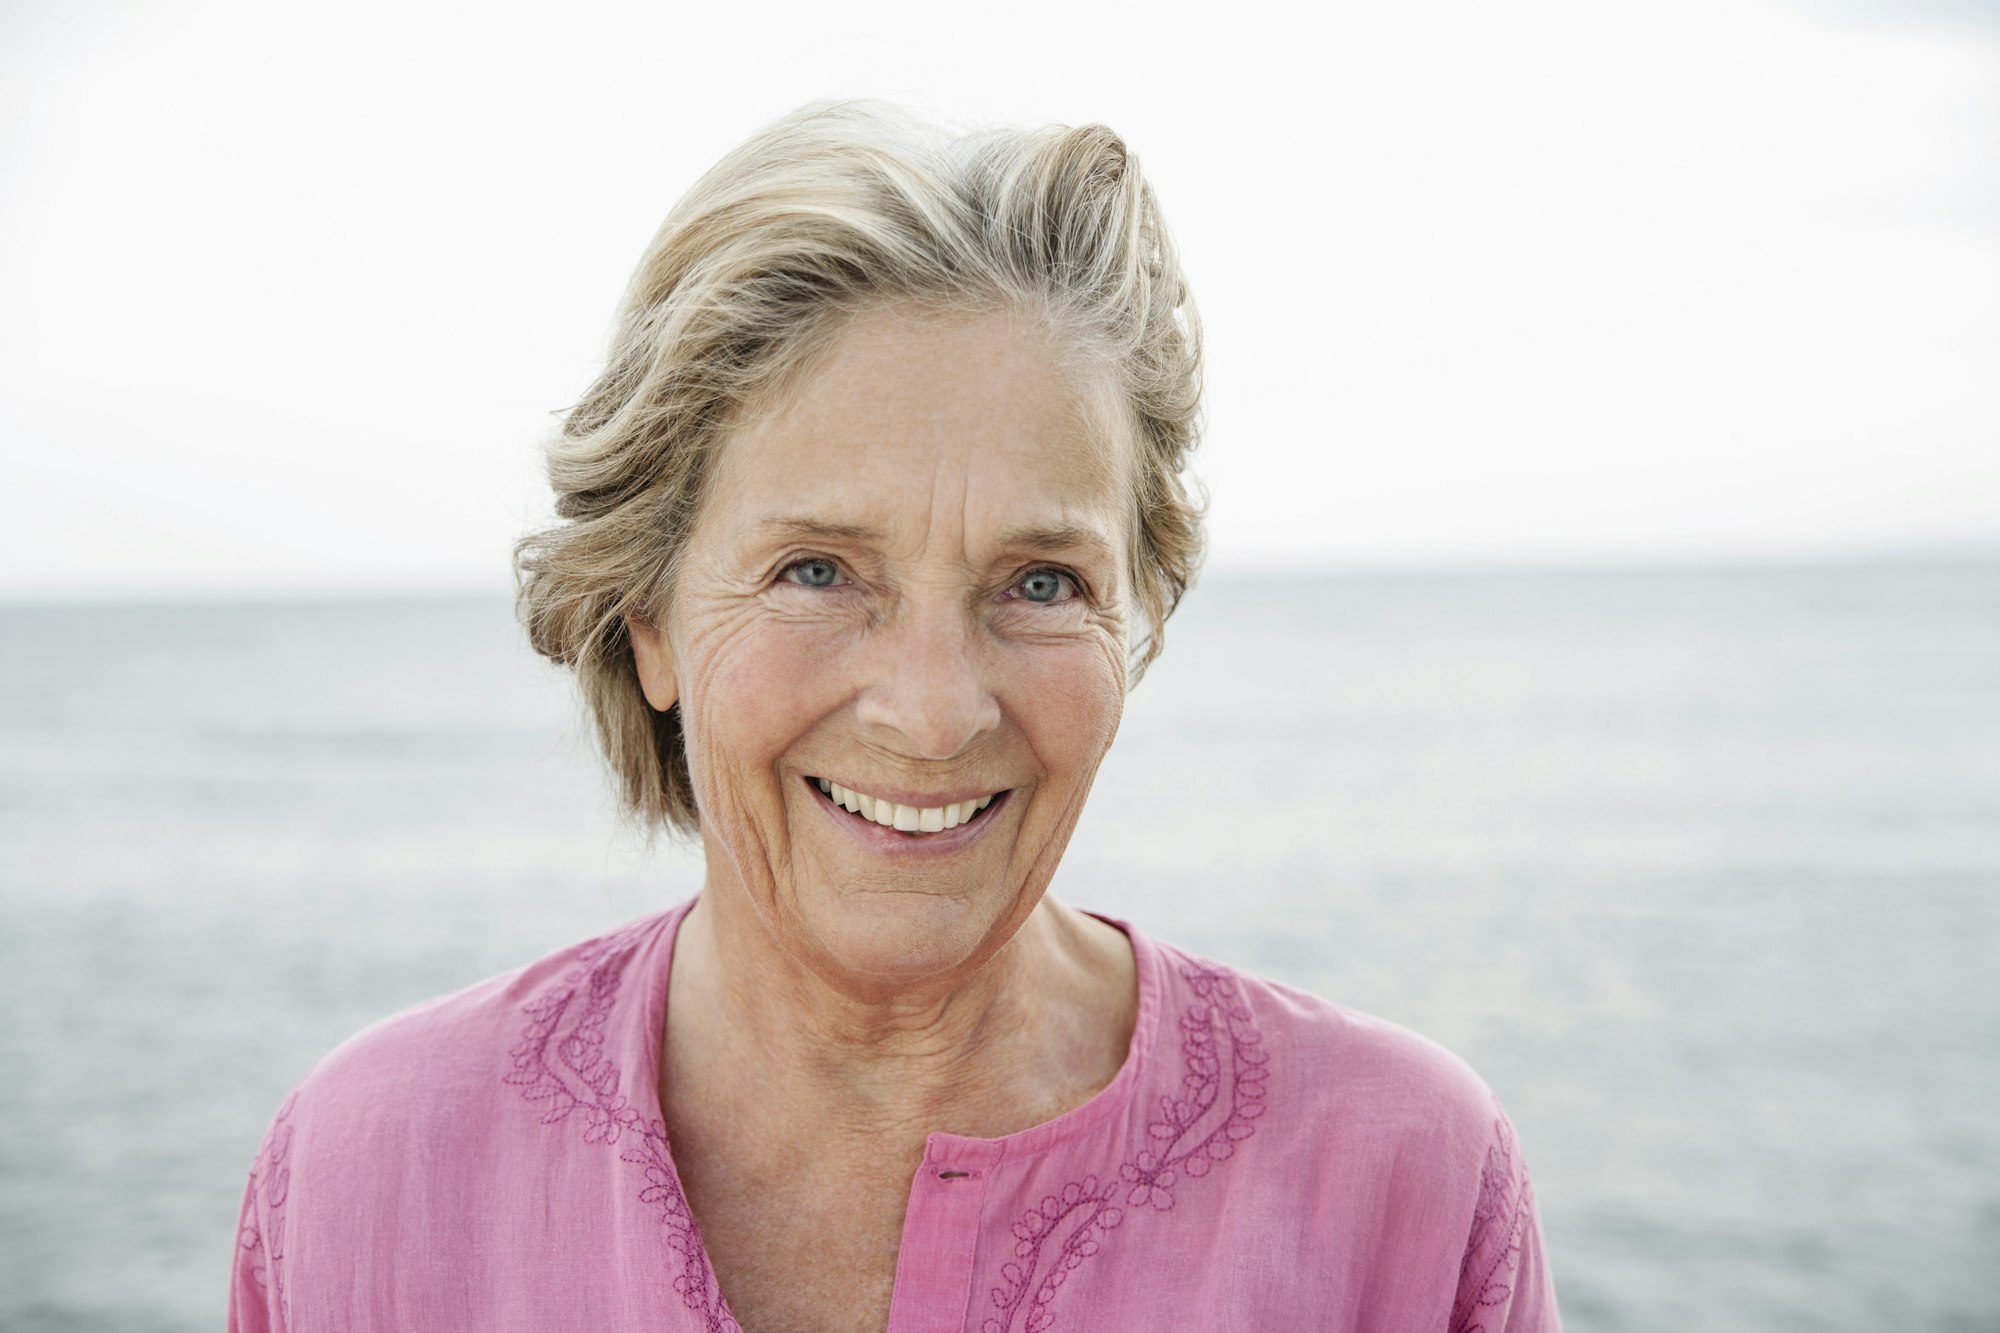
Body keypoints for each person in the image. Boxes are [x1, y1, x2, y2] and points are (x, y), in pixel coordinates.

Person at [227, 96, 1562, 1333]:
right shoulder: (368, 1181)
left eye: (1041, 582)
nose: (932, 714)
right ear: (647, 617)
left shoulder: (1405, 1190)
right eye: (817, 570)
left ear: (1137, 619)